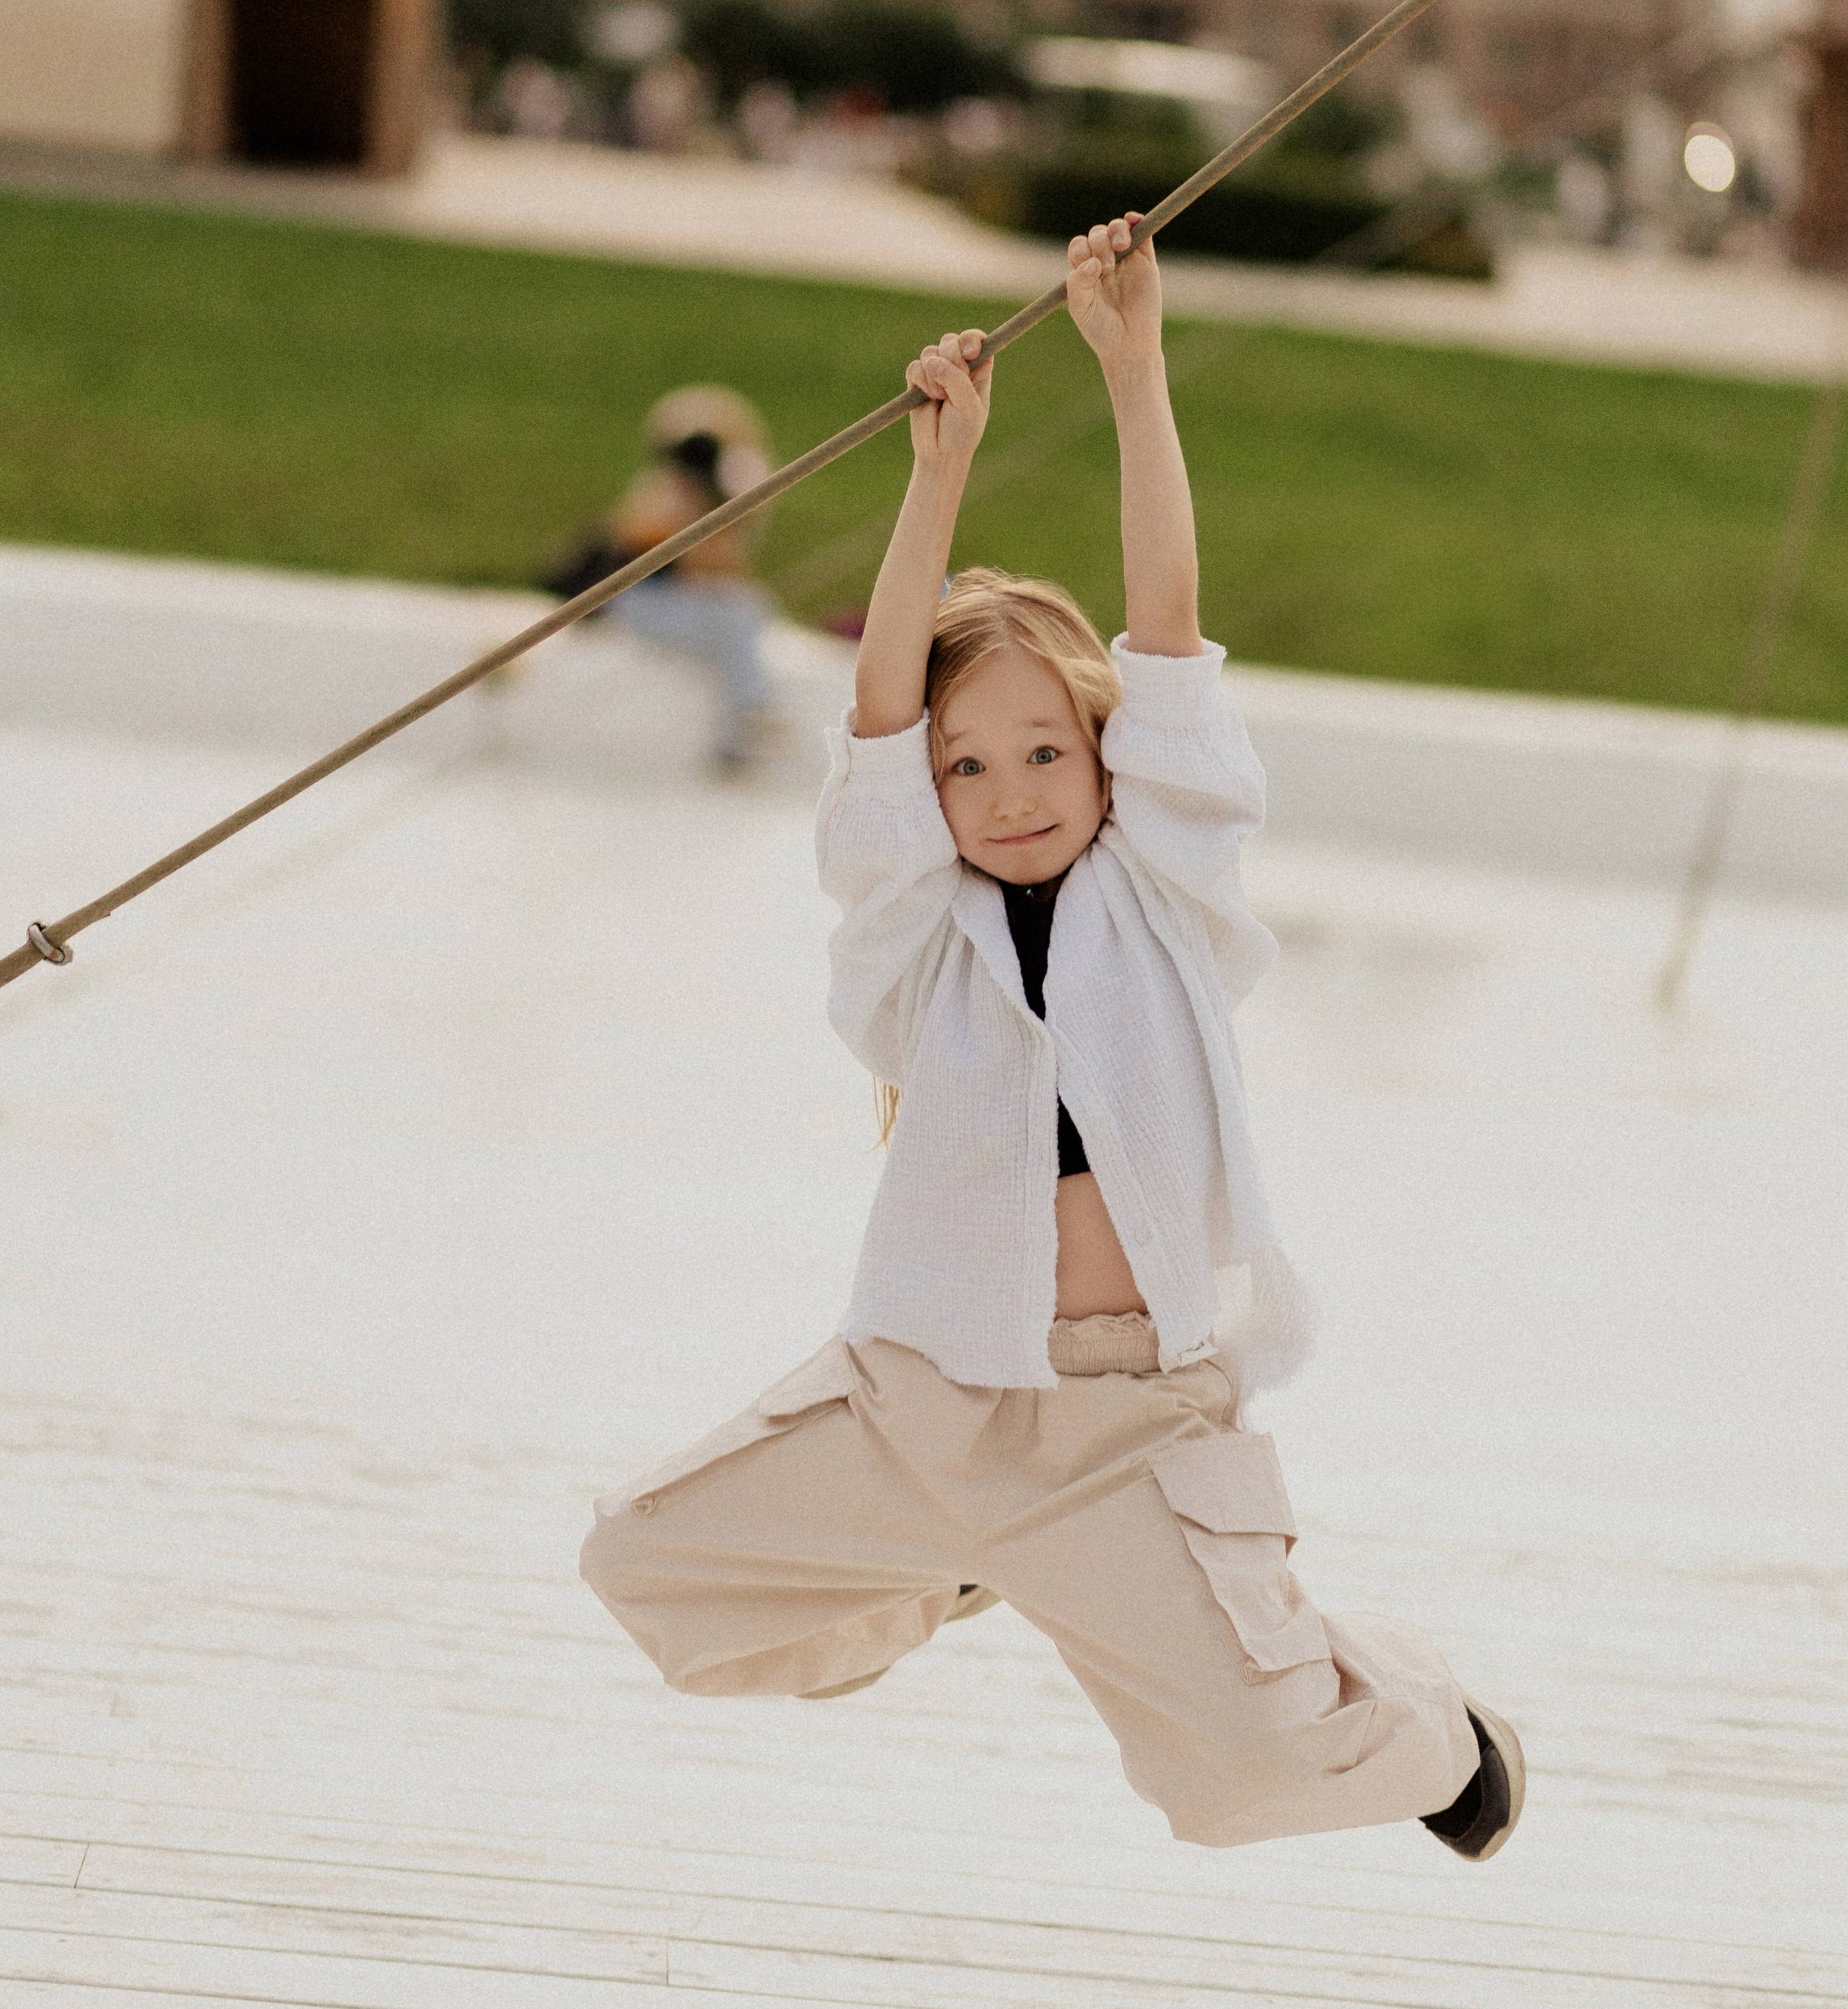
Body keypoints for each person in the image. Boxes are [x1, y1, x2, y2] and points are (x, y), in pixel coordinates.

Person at [580, 216, 1523, 1859]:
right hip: (919, 1402)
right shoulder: (909, 935)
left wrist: (1131, 361)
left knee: (1229, 1783)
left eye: (1039, 755)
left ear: (1102, 763)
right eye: (968, 769)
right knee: (644, 1567)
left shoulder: (1164, 888)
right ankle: (946, 1576)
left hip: (1114, 1424)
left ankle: (1427, 1736)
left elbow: (1164, 618)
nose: (1006, 794)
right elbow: (874, 714)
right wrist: (936, 475)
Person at [607, 385, 779, 773]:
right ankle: (748, 715)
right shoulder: (658, 495)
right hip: (644, 604)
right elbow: (644, 545)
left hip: (680, 604)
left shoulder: (714, 499)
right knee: (739, 619)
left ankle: (743, 723)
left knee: (747, 611)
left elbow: (726, 565)